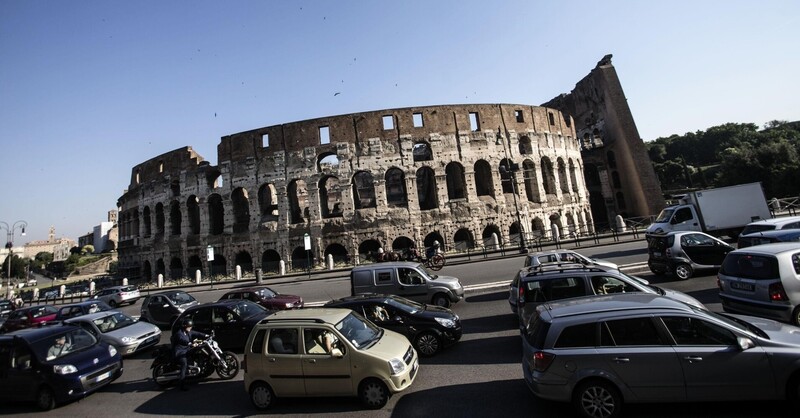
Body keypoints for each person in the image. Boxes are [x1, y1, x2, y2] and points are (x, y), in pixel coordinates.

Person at [170, 318, 209, 391]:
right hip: (179, 352)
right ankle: (182, 384)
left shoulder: (188, 332)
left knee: (197, 353)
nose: (190, 328)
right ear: (185, 326)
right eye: (189, 326)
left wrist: (206, 335)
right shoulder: (179, 334)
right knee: (184, 364)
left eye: (191, 326)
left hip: (186, 349)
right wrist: (190, 343)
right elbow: (183, 340)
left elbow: (196, 333)